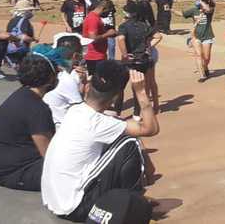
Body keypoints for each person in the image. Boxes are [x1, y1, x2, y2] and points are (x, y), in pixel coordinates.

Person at [41, 61, 159, 222]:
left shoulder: (75, 111)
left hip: (55, 199)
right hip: (75, 207)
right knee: (131, 143)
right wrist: (141, 93)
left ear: (88, 87)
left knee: (121, 135)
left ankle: (129, 199)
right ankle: (130, 206)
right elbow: (150, 128)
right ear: (116, 96)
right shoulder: (99, 123)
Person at [0, 48, 59, 191]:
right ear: (49, 78)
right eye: (56, 74)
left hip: (3, 168)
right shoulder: (37, 108)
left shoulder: (22, 95)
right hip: (16, 173)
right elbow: (49, 154)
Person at [117, 0, 162, 115]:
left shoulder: (136, 23)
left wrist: (145, 47)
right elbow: (158, 36)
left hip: (141, 54)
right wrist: (147, 47)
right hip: (147, 53)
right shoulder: (148, 22)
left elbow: (121, 39)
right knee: (150, 82)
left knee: (141, 84)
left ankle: (142, 109)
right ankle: (154, 106)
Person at [43, 33, 93, 127]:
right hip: (59, 128)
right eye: (82, 50)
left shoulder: (55, 71)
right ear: (75, 56)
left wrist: (83, 83)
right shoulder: (65, 79)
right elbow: (81, 111)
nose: (84, 54)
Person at [180, 0, 215, 82]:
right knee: (198, 55)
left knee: (206, 58)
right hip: (196, 36)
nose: (196, 1)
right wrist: (171, 10)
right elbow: (183, 14)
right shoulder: (194, 10)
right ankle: (202, 75)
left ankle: (205, 67)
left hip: (207, 35)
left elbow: (207, 9)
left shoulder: (210, 8)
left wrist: (202, 2)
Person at [82, 0, 117, 76]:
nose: (108, 14)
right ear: (103, 9)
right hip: (94, 56)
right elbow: (93, 39)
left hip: (98, 55)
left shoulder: (95, 17)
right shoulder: (93, 19)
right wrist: (108, 34)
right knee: (97, 81)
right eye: (108, 11)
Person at [5, 0, 38, 67]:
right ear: (25, 11)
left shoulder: (12, 20)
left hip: (9, 48)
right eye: (30, 10)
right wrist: (33, 39)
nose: (31, 12)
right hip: (20, 50)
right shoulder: (24, 21)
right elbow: (23, 37)